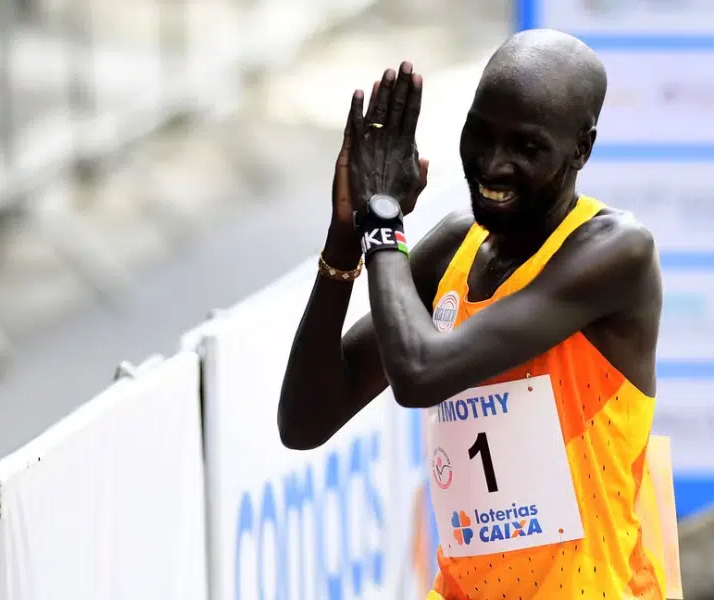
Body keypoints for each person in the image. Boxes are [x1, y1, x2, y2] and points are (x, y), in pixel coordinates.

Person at [278, 28, 666, 599]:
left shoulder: (614, 252)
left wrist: (382, 220)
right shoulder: (457, 246)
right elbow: (306, 422)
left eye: (526, 148)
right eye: (479, 136)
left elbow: (420, 373)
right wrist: (346, 236)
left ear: (581, 149)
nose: (492, 165)